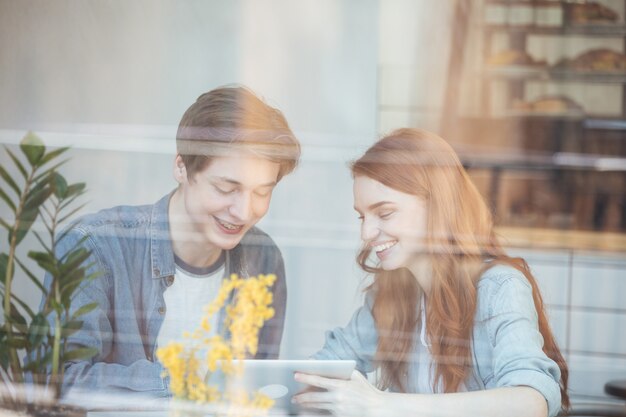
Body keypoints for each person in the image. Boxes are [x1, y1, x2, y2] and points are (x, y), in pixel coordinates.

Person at [41, 85, 300, 398]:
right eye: (226, 188)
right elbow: (61, 381)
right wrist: (180, 382)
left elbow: (261, 389)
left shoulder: (264, 257)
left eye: (262, 192)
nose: (245, 211)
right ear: (181, 167)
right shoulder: (96, 246)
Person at [293, 128, 569, 417]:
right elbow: (332, 364)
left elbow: (531, 401)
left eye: (384, 213)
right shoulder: (392, 293)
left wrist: (382, 405)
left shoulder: (500, 287)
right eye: (362, 216)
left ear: (436, 207)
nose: (366, 232)